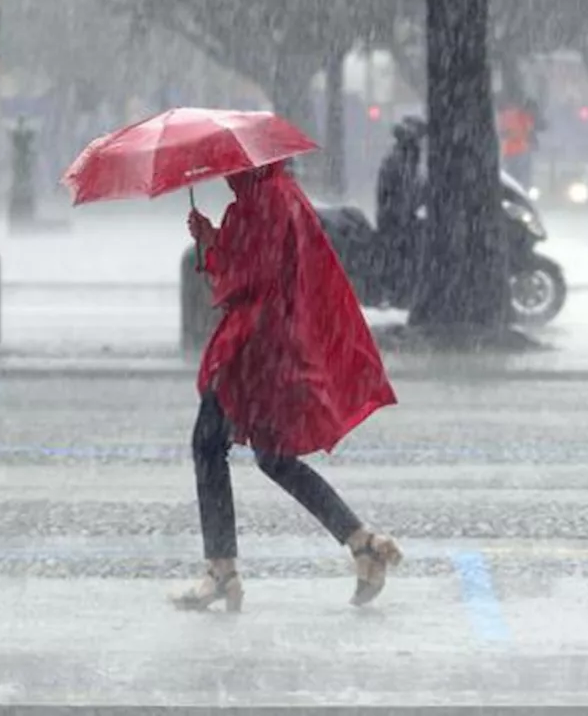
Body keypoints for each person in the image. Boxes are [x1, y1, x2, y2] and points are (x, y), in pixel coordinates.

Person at [177, 161, 403, 612]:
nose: (227, 171)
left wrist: (216, 245)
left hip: (256, 348)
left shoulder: (268, 200)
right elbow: (252, 267)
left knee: (208, 445)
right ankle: (363, 543)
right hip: (271, 345)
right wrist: (213, 240)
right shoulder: (271, 196)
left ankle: (222, 570)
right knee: (274, 457)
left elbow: (250, 277)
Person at [375, 117, 427, 294]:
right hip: (396, 219)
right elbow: (405, 192)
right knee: (400, 256)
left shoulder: (402, 158)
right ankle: (397, 291)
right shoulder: (400, 160)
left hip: (397, 217)